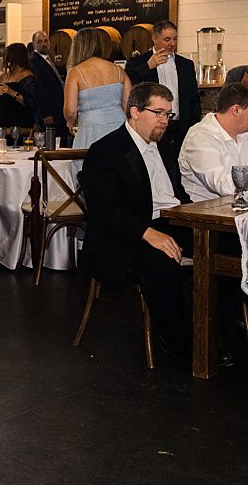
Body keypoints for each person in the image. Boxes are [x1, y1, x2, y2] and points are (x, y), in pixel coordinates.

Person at [79, 81, 195, 354]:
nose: (165, 121)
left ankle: (213, 331)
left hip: (171, 221)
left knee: (228, 253)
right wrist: (149, 233)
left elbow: (179, 196)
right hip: (125, 235)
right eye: (158, 113)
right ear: (134, 112)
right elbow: (106, 211)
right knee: (163, 265)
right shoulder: (106, 151)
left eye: (168, 114)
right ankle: (181, 344)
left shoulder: (165, 147)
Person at [124, 21, 200, 160]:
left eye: (175, 39)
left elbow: (194, 98)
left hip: (180, 126)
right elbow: (129, 86)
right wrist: (148, 66)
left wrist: (193, 126)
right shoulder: (137, 62)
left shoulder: (186, 64)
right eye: (167, 39)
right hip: (152, 125)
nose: (172, 43)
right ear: (155, 38)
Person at [64, 28, 130, 148]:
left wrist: (71, 123)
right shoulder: (119, 70)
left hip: (91, 129)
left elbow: (70, 111)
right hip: (119, 127)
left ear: (78, 47)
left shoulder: (75, 72)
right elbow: (128, 106)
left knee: (90, 164)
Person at [27, 30, 68, 141]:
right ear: (34, 44)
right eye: (39, 41)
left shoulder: (48, 58)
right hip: (49, 113)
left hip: (57, 110)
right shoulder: (35, 61)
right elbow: (39, 89)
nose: (43, 44)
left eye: (45, 41)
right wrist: (45, 113)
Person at [0, 42, 37, 133]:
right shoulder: (4, 76)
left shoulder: (26, 75)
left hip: (21, 124)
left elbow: (30, 102)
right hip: (4, 124)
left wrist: (10, 91)